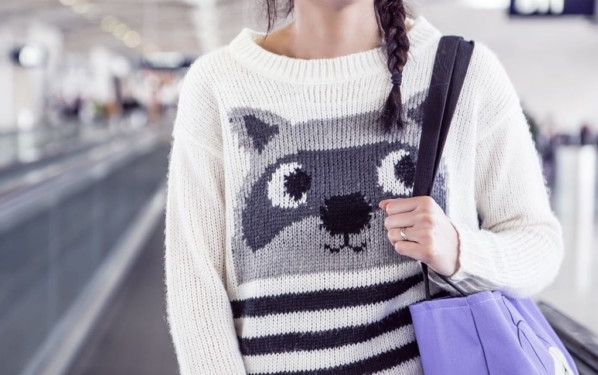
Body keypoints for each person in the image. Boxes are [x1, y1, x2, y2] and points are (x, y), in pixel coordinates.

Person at [163, 1, 565, 374]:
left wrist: (460, 249)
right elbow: (194, 289)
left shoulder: (464, 72)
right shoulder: (218, 84)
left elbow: (538, 244)